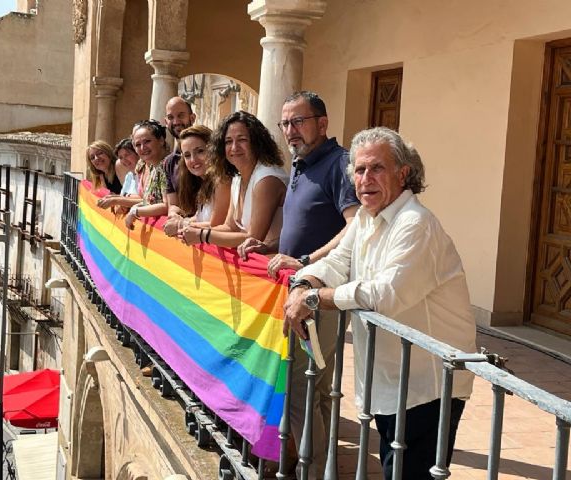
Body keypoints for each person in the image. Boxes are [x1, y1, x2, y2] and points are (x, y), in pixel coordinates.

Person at [283, 127, 477, 480]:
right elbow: (337, 262)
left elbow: (384, 295)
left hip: (427, 386)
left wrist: (314, 298)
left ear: (403, 174)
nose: (365, 179)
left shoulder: (415, 224)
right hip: (392, 382)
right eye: (359, 170)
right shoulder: (365, 219)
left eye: (377, 169)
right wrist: (303, 283)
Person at [238, 91, 359, 479]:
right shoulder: (301, 165)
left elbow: (356, 225)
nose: (291, 131)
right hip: (296, 294)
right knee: (313, 389)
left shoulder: (340, 165)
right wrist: (272, 246)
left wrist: (307, 261)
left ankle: (313, 469)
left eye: (299, 122)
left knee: (302, 386)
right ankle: (318, 466)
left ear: (322, 124)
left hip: (318, 296)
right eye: (285, 123)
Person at [181, 111, 288, 248]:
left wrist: (203, 235)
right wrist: (189, 231)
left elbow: (253, 239)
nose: (234, 148)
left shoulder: (267, 179)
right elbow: (229, 227)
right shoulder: (237, 178)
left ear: (257, 142)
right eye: (228, 141)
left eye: (242, 139)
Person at [162, 125, 233, 237]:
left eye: (200, 151)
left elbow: (216, 226)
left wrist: (181, 224)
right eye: (187, 155)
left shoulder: (223, 180)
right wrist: (177, 217)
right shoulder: (203, 182)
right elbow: (199, 218)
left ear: (213, 150)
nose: (193, 160)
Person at [125, 120, 170, 229]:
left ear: (161, 140)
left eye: (147, 141)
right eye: (138, 144)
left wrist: (135, 211)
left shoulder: (167, 166)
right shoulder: (152, 167)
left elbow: (167, 206)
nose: (142, 148)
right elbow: (150, 201)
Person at [163, 96, 196, 207]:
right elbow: (173, 206)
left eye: (181, 115)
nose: (176, 121)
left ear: (192, 118)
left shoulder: (209, 152)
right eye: (170, 117)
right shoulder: (169, 162)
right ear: (166, 122)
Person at [96, 138, 143, 212]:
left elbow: (147, 201)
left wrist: (121, 199)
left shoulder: (146, 174)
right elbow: (121, 201)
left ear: (137, 153)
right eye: (121, 157)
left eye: (127, 155)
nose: (124, 160)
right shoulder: (129, 176)